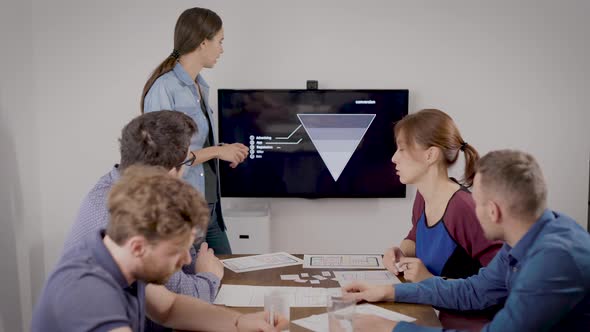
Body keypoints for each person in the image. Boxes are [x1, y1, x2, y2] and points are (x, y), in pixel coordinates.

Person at [344, 149, 590, 332]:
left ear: (493, 211)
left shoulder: (554, 262)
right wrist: (388, 291)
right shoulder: (525, 237)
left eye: (477, 203)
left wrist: (388, 328)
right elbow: (473, 291)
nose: (473, 209)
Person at [33, 166, 286, 331]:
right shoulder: (88, 293)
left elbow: (170, 307)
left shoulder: (118, 257)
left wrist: (238, 322)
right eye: (177, 251)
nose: (187, 259)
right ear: (138, 247)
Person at [63, 111, 223, 330]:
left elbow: (168, 305)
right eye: (187, 161)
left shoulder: (118, 191)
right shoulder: (132, 218)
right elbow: (184, 291)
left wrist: (237, 321)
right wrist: (209, 276)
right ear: (168, 173)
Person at [142, 7, 249, 254]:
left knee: (226, 282)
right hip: (183, 214)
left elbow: (194, 144)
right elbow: (164, 158)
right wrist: (215, 153)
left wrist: (224, 150)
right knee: (194, 288)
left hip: (211, 210)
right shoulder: (164, 88)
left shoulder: (200, 86)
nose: (222, 49)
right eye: (220, 42)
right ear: (203, 42)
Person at [383, 109, 502, 329]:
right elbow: (415, 236)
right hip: (434, 311)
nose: (394, 158)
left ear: (430, 155)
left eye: (401, 149)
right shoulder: (423, 195)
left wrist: (429, 279)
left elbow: (500, 284)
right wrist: (400, 252)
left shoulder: (464, 209)